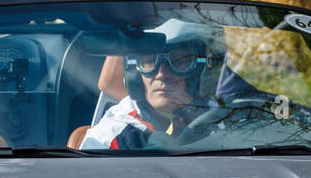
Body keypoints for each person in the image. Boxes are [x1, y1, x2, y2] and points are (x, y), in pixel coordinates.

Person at [82, 19, 222, 150]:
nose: (161, 74)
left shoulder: (226, 123)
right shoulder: (110, 137)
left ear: (203, 72)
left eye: (179, 61)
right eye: (149, 61)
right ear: (136, 74)